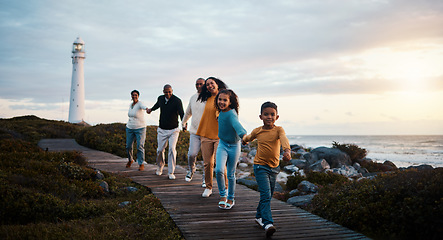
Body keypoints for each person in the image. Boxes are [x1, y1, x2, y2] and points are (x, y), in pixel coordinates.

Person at [242, 101, 291, 237]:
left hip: (274, 168)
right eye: (266, 114)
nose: (269, 117)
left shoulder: (279, 130)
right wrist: (244, 140)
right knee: (265, 194)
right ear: (261, 116)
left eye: (272, 114)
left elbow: (284, 139)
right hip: (260, 167)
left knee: (268, 196)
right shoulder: (258, 130)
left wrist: (287, 151)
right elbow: (249, 137)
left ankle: (258, 216)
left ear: (277, 116)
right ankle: (268, 223)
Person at [196, 77, 228, 198]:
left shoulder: (224, 97)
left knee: (219, 163)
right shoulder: (206, 98)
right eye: (207, 84)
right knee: (207, 163)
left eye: (211, 83)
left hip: (219, 135)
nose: (209, 86)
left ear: (217, 84)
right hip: (205, 134)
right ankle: (209, 187)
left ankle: (225, 188)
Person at [214, 89, 246, 210]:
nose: (221, 102)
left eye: (225, 100)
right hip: (222, 144)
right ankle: (223, 195)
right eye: (220, 99)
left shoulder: (232, 113)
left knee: (231, 174)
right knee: (218, 170)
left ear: (230, 102)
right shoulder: (220, 112)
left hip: (234, 146)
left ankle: (231, 198)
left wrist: (244, 135)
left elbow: (237, 125)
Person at [147, 84, 184, 180]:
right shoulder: (160, 99)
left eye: (169, 92)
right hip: (162, 129)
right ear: (163, 91)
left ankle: (171, 172)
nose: (168, 94)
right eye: (166, 92)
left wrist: (184, 124)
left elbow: (181, 113)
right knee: (160, 150)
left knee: (172, 149)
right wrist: (151, 109)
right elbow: (157, 105)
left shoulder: (177, 101)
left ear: (172, 91)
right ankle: (160, 167)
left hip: (174, 130)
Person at [182, 78, 206, 186]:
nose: (199, 85)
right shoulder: (192, 98)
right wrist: (183, 123)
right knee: (191, 154)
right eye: (197, 84)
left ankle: (206, 178)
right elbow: (188, 112)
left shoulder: (210, 98)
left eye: (201, 84)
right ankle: (191, 170)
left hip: (207, 133)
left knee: (207, 158)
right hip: (194, 132)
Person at [125, 90, 149, 171]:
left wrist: (147, 109)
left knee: (140, 146)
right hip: (130, 128)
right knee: (128, 146)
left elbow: (144, 106)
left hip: (140, 128)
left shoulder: (140, 104)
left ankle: (141, 163)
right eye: (133, 95)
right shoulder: (130, 105)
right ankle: (130, 160)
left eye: (136, 95)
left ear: (138, 96)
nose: (134, 96)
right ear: (131, 96)